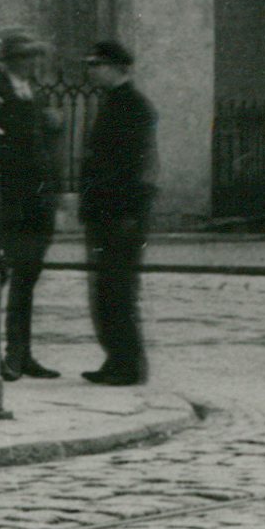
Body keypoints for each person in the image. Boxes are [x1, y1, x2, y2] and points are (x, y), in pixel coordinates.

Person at [80, 37, 156, 384]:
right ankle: (117, 359)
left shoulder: (133, 106)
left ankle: (127, 364)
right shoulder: (116, 102)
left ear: (117, 68)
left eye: (97, 65)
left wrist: (127, 214)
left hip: (120, 214)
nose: (92, 71)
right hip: (106, 212)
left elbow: (133, 166)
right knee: (107, 289)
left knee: (117, 289)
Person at [0, 42, 60, 378]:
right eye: (30, 56)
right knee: (0, 277)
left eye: (37, 55)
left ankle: (21, 353)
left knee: (27, 278)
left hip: (37, 201)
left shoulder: (33, 91)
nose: (36, 61)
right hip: (11, 201)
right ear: (13, 60)